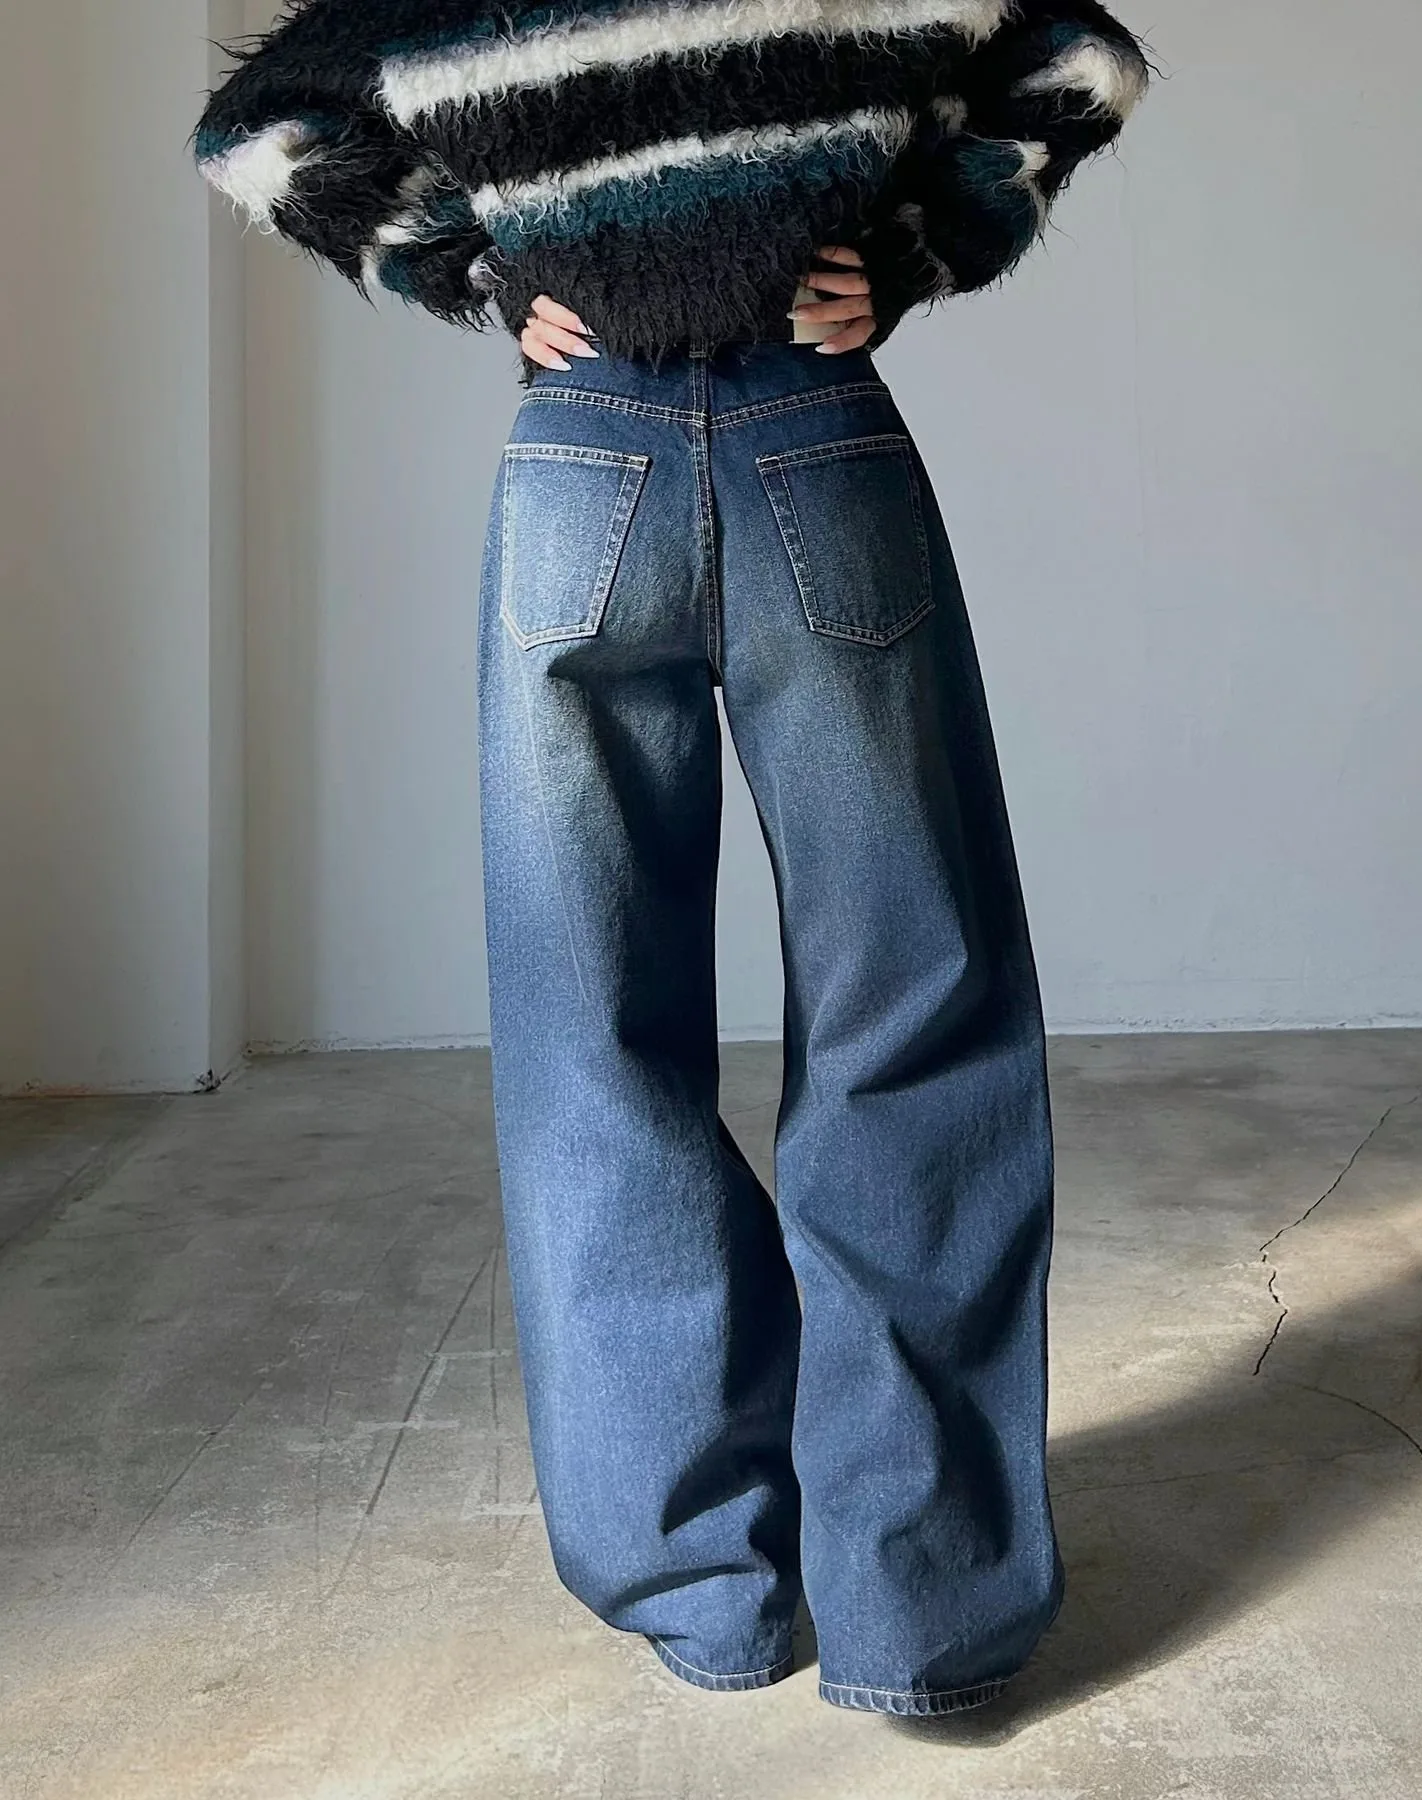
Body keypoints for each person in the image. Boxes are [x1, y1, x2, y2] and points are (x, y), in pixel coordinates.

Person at [195, 0, 1148, 1718]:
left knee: (593, 1041)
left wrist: (473, 271)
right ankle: (922, 1616)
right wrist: (911, 251)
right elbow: (1079, 68)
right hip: (816, 448)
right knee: (913, 1010)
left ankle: (705, 1596)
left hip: (585, 469)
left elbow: (259, 131)